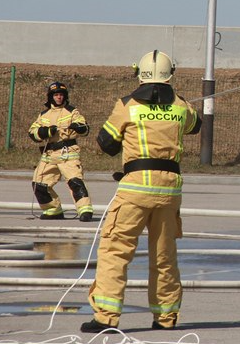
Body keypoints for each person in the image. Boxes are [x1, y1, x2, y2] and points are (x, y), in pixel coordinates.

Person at [81, 50, 201, 333]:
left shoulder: (127, 105)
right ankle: (166, 317)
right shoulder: (182, 106)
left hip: (134, 189)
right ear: (171, 74)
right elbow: (196, 127)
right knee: (164, 255)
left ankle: (106, 317)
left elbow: (106, 143)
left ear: (139, 74)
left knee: (115, 251)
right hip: (170, 191)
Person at [28, 81, 94, 221]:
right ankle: (53, 210)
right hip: (49, 155)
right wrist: (44, 131)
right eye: (56, 95)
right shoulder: (44, 115)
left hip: (68, 153)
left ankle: (85, 211)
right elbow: (32, 132)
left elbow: (85, 127)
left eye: (61, 95)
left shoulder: (71, 111)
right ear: (51, 97)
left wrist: (79, 127)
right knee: (38, 183)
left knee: (75, 182)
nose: (59, 97)